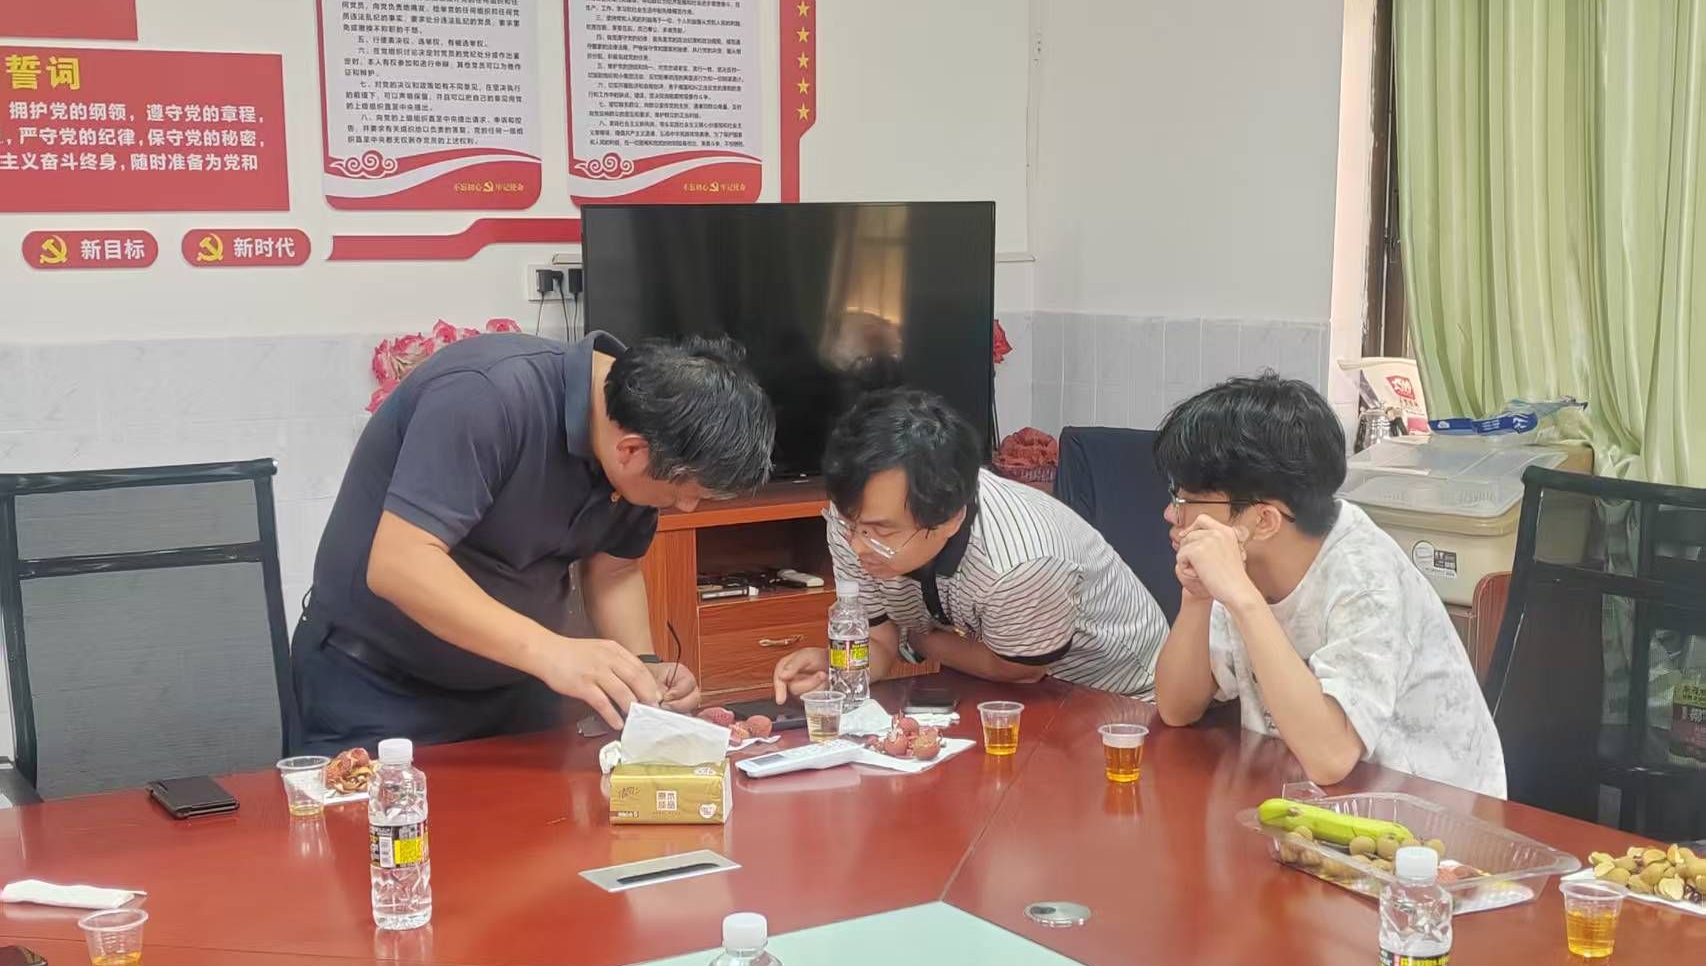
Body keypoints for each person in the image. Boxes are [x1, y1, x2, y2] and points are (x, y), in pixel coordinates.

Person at [293, 331, 774, 753]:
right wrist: (552, 652)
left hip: (516, 690)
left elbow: (614, 567)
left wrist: (642, 671)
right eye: (687, 494)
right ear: (630, 451)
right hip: (380, 690)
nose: (686, 508)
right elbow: (400, 563)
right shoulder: (485, 396)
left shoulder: (649, 429)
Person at [1150, 372, 1506, 797]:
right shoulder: (1246, 559)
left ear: (1264, 520)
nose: (1171, 514)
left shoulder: (1365, 578)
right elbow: (1176, 708)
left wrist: (1243, 600)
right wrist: (1198, 596)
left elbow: (1330, 757)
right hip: (1319, 799)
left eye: (1186, 501)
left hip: (1432, 814)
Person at [772, 389, 1169, 703]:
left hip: (1120, 697)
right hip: (995, 687)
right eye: (850, 524)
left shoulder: (1021, 560)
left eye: (881, 532)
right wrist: (838, 667)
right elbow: (879, 640)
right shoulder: (855, 518)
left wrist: (921, 639)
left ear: (949, 519)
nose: (859, 547)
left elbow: (1020, 669)